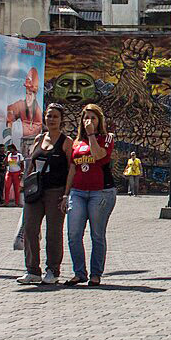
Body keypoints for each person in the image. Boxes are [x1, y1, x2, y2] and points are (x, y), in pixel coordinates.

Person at [65, 103, 117, 287]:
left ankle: (96, 274)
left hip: (100, 192)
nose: (89, 121)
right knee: (73, 234)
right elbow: (72, 169)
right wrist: (65, 194)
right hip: (78, 191)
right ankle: (79, 273)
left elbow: (98, 155)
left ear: (99, 121)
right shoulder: (77, 143)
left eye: (93, 118)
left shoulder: (107, 138)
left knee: (97, 234)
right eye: (86, 118)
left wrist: (92, 135)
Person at [20, 102, 70, 285]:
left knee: (53, 232)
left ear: (61, 120)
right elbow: (31, 164)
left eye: (55, 116)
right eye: (49, 116)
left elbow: (71, 169)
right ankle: (32, 270)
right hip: (35, 192)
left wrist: (66, 194)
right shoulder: (39, 139)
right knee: (30, 229)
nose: (51, 119)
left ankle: (52, 270)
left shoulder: (66, 142)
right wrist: (25, 184)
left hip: (55, 191)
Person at [5, 67, 43, 149]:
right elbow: (9, 114)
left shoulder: (38, 111)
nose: (28, 97)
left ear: (35, 95)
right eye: (27, 93)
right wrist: (8, 137)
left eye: (30, 94)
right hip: (21, 144)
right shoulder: (20, 105)